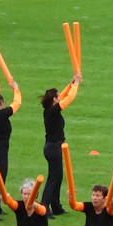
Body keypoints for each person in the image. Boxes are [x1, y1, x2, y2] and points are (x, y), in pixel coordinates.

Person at [39, 76, 80, 214]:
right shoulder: (54, 111)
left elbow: (63, 95)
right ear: (54, 100)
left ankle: (56, 206)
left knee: (58, 176)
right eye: (57, 97)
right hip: (53, 148)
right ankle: (44, 206)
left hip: (53, 147)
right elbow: (69, 98)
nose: (59, 97)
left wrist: (71, 83)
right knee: (53, 178)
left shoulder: (50, 109)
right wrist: (76, 85)